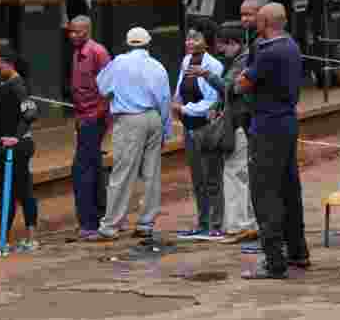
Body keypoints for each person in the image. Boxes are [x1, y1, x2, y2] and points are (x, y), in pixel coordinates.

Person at [236, 3, 310, 279]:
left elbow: (242, 84)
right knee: (289, 187)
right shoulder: (291, 45)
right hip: (287, 122)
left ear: (264, 22)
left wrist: (244, 77)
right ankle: (297, 251)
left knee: (265, 192)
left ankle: (274, 261)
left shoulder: (268, 53)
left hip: (267, 125)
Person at [95, 27, 173, 241]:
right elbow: (165, 101)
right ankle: (146, 223)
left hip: (129, 120)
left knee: (122, 172)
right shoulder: (157, 66)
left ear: (128, 43)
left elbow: (102, 88)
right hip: (154, 118)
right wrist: (167, 130)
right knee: (151, 173)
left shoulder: (118, 63)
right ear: (149, 44)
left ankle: (110, 225)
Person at [190, 22, 259, 244]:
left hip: (240, 125)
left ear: (234, 43)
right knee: (238, 174)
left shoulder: (243, 61)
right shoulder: (239, 60)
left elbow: (230, 88)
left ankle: (239, 225)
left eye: (224, 45)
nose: (221, 50)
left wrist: (206, 74)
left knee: (234, 174)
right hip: (239, 122)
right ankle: (244, 222)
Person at [0, 48, 40, 256]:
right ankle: (9, 238)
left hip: (15, 148)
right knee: (13, 192)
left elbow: (30, 113)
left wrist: (17, 137)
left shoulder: (17, 85)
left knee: (19, 192)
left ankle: (18, 239)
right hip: (10, 146)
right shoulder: (8, 85)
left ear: (8, 64)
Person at [174, 24, 225, 239]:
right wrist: (176, 103)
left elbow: (212, 101)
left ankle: (216, 224)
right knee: (197, 178)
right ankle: (202, 222)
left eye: (195, 38)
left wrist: (185, 108)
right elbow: (179, 89)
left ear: (207, 41)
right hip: (188, 127)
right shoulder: (186, 61)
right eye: (188, 38)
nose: (190, 42)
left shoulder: (214, 65)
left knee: (212, 177)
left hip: (207, 127)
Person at [66, 15, 112, 242]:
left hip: (95, 119)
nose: (73, 35)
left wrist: (94, 116)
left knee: (82, 170)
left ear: (87, 31)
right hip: (84, 117)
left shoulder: (97, 52)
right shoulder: (77, 52)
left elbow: (109, 89)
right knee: (92, 166)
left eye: (78, 32)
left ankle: (90, 223)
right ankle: (101, 217)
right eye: (71, 31)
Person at [237, 0, 266, 255]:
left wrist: (242, 80)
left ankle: (267, 233)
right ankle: (259, 226)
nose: (245, 19)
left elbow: (245, 82)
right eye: (242, 14)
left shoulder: (263, 45)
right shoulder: (251, 42)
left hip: (264, 119)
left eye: (250, 14)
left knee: (263, 178)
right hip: (251, 116)